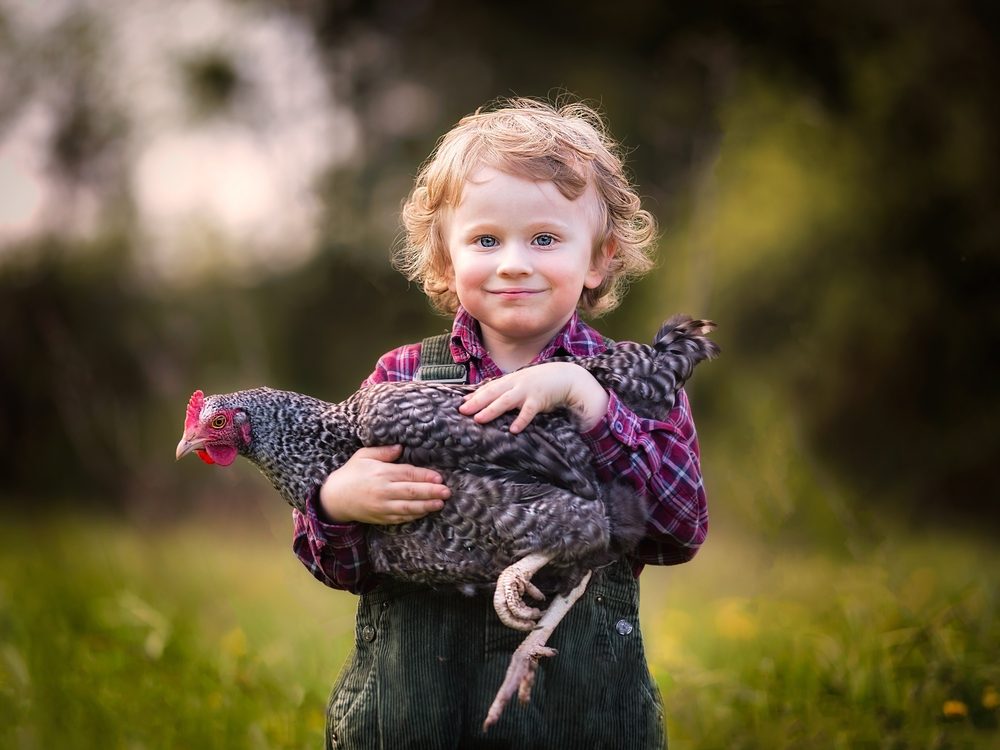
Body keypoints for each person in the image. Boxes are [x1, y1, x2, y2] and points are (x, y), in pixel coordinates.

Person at [292, 97, 708, 749]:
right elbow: (340, 567)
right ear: (446, 259)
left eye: (544, 238)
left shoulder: (631, 385)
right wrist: (336, 501)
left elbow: (679, 529)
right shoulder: (400, 378)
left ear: (599, 257)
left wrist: (587, 403)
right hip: (414, 720)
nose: (514, 261)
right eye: (486, 240)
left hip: (578, 723)